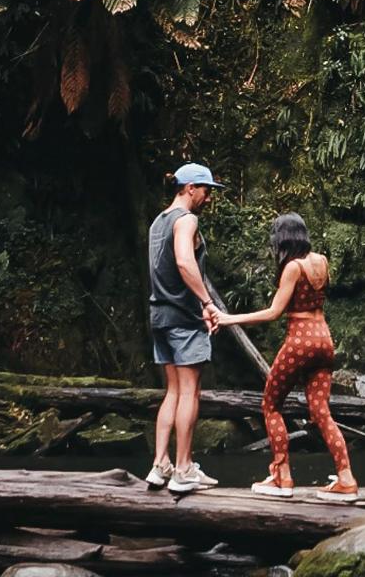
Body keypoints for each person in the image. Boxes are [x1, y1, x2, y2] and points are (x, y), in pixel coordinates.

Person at [213, 213, 359, 502]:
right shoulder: (322, 261)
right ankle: (346, 478)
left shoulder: (293, 267)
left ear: (283, 238)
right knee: (321, 412)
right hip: (324, 340)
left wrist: (228, 319)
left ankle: (282, 477)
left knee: (271, 405)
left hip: (301, 341)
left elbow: (273, 312)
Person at [145, 162, 224, 494]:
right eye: (206, 190)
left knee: (173, 392)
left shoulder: (157, 222)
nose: (209, 198)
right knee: (190, 392)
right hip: (183, 317)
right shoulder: (186, 220)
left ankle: (159, 465)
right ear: (190, 188)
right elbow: (183, 261)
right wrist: (207, 302)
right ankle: (184, 469)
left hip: (160, 316)